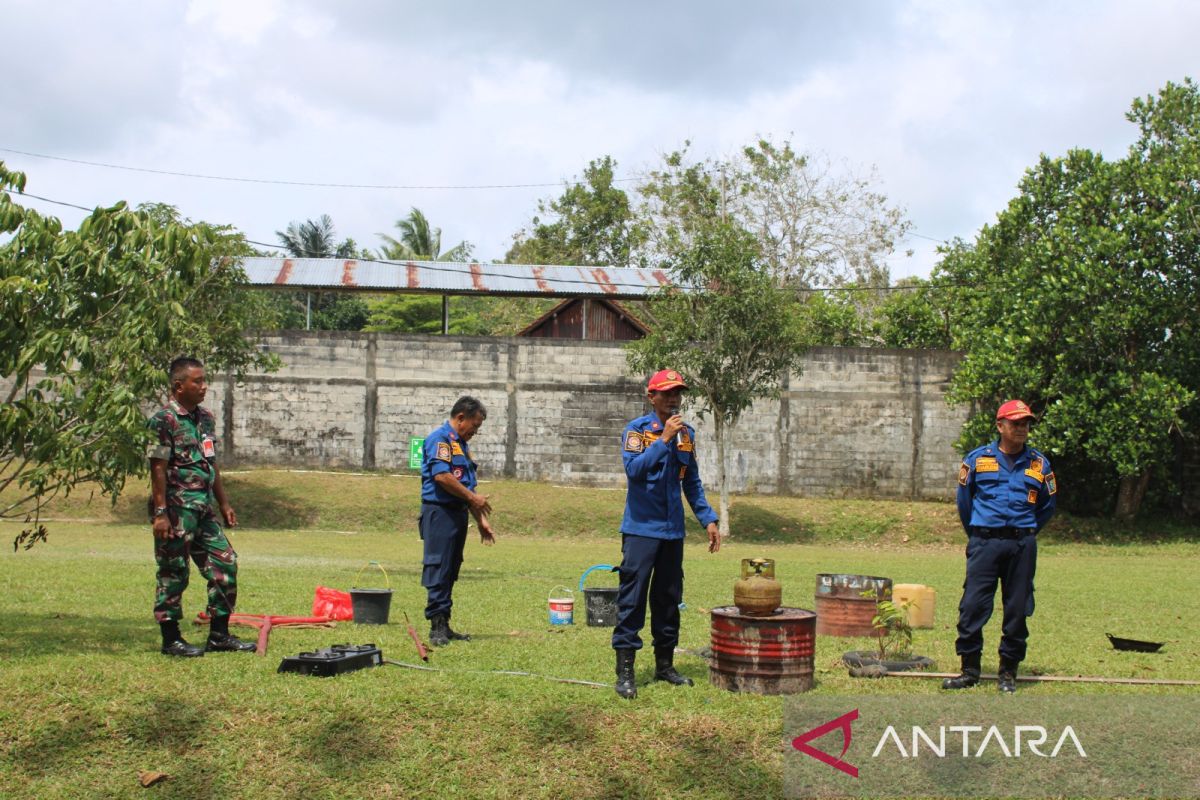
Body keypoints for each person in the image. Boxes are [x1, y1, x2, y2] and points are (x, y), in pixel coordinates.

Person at [611, 369, 721, 699]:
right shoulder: (637, 431)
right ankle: (626, 671)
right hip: (641, 530)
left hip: (673, 533)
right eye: (667, 392)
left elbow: (691, 482)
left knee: (669, 599)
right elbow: (634, 471)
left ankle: (665, 665)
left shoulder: (687, 434)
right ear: (652, 397)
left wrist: (708, 519)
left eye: (678, 393)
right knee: (632, 600)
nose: (674, 399)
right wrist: (662, 441)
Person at [944, 399, 1057, 693]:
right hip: (984, 543)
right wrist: (981, 534)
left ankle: (1008, 672)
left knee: (1017, 608)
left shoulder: (1039, 464)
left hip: (1022, 544)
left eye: (1026, 424)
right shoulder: (977, 460)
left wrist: (1025, 532)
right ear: (1000, 426)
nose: (1021, 429)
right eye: (1015, 423)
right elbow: (964, 503)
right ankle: (969, 671)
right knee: (972, 606)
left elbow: (1047, 506)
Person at [147, 357, 255, 657]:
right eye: (197, 381)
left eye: (204, 380)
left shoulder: (205, 418)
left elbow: (211, 462)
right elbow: (157, 467)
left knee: (225, 563)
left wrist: (224, 502)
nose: (204, 386)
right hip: (176, 510)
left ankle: (219, 636)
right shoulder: (163, 421)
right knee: (174, 571)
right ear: (178, 386)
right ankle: (171, 640)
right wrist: (160, 513)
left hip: (203, 508)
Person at [419, 396, 496, 647]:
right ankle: (436, 626)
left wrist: (481, 521)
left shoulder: (460, 445)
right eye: (474, 425)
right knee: (438, 566)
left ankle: (445, 622)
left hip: (457, 513)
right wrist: (474, 499)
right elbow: (442, 476)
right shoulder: (439, 440)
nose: (475, 431)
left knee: (451, 568)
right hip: (439, 512)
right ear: (461, 417)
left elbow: (466, 487)